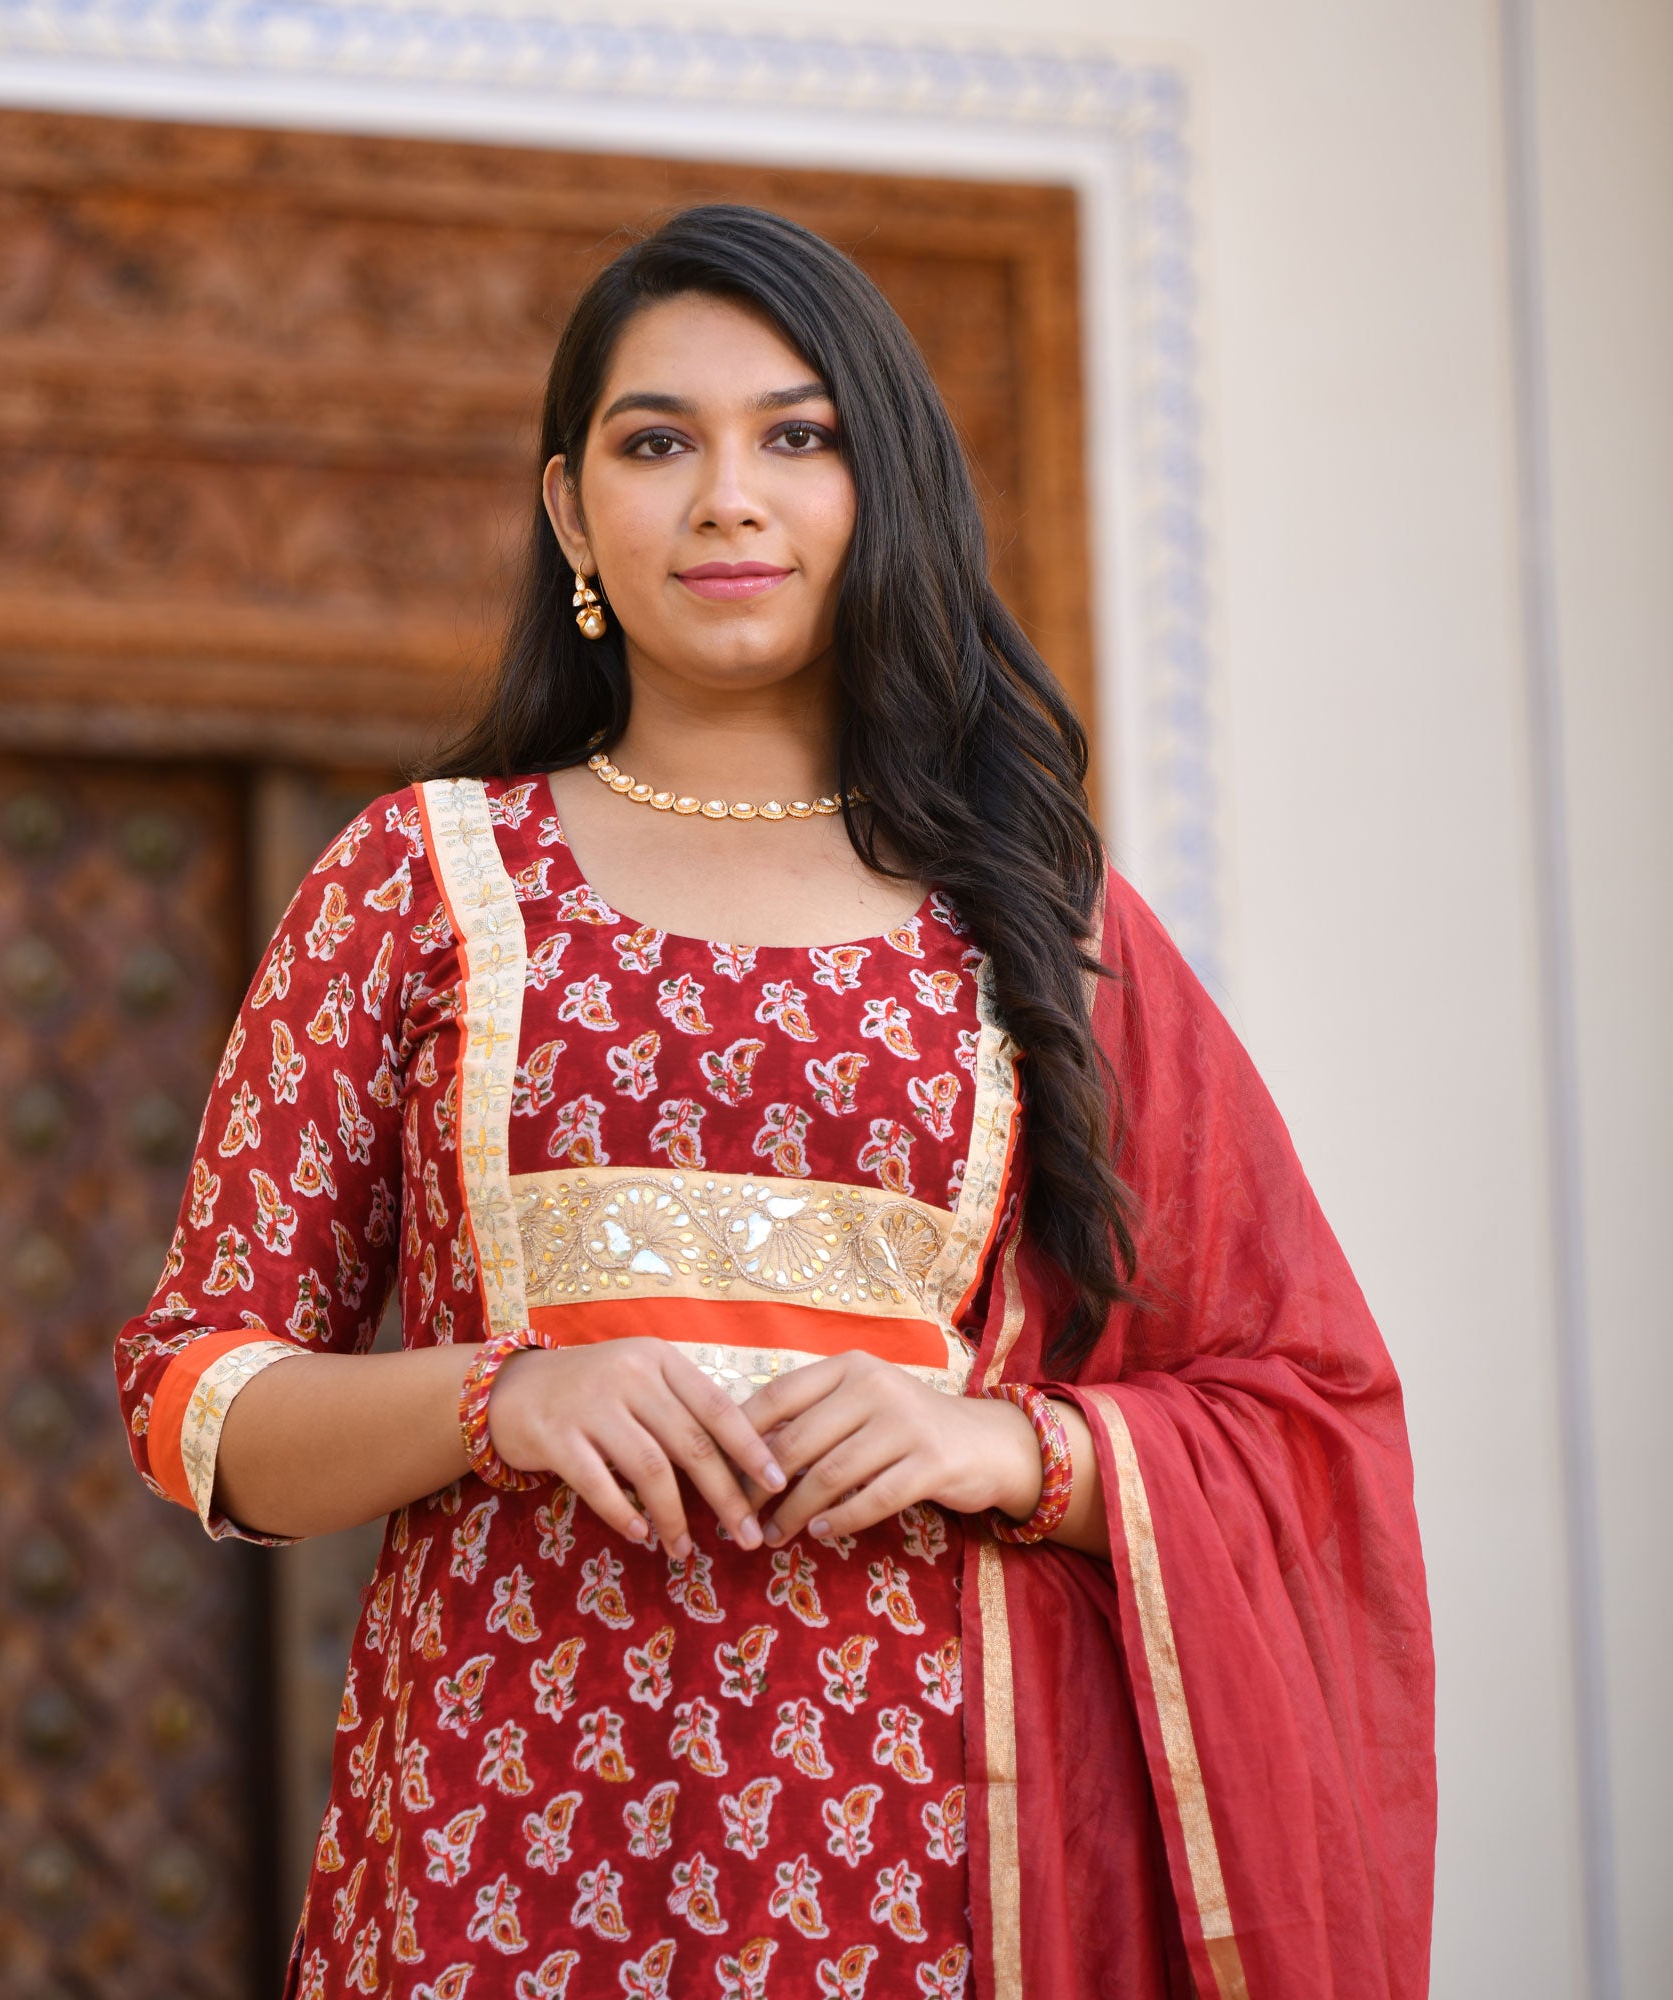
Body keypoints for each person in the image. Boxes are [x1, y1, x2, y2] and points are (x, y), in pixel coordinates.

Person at [112, 204, 1434, 2000]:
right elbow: (200, 1392)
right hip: (504, 1825)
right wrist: (505, 1397)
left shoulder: (1040, 933)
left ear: (874, 490)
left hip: (926, 1845)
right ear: (573, 511)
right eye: (659, 443)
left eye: (796, 438)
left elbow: (1304, 1404)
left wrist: (1019, 1448)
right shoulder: (421, 880)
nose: (729, 496)